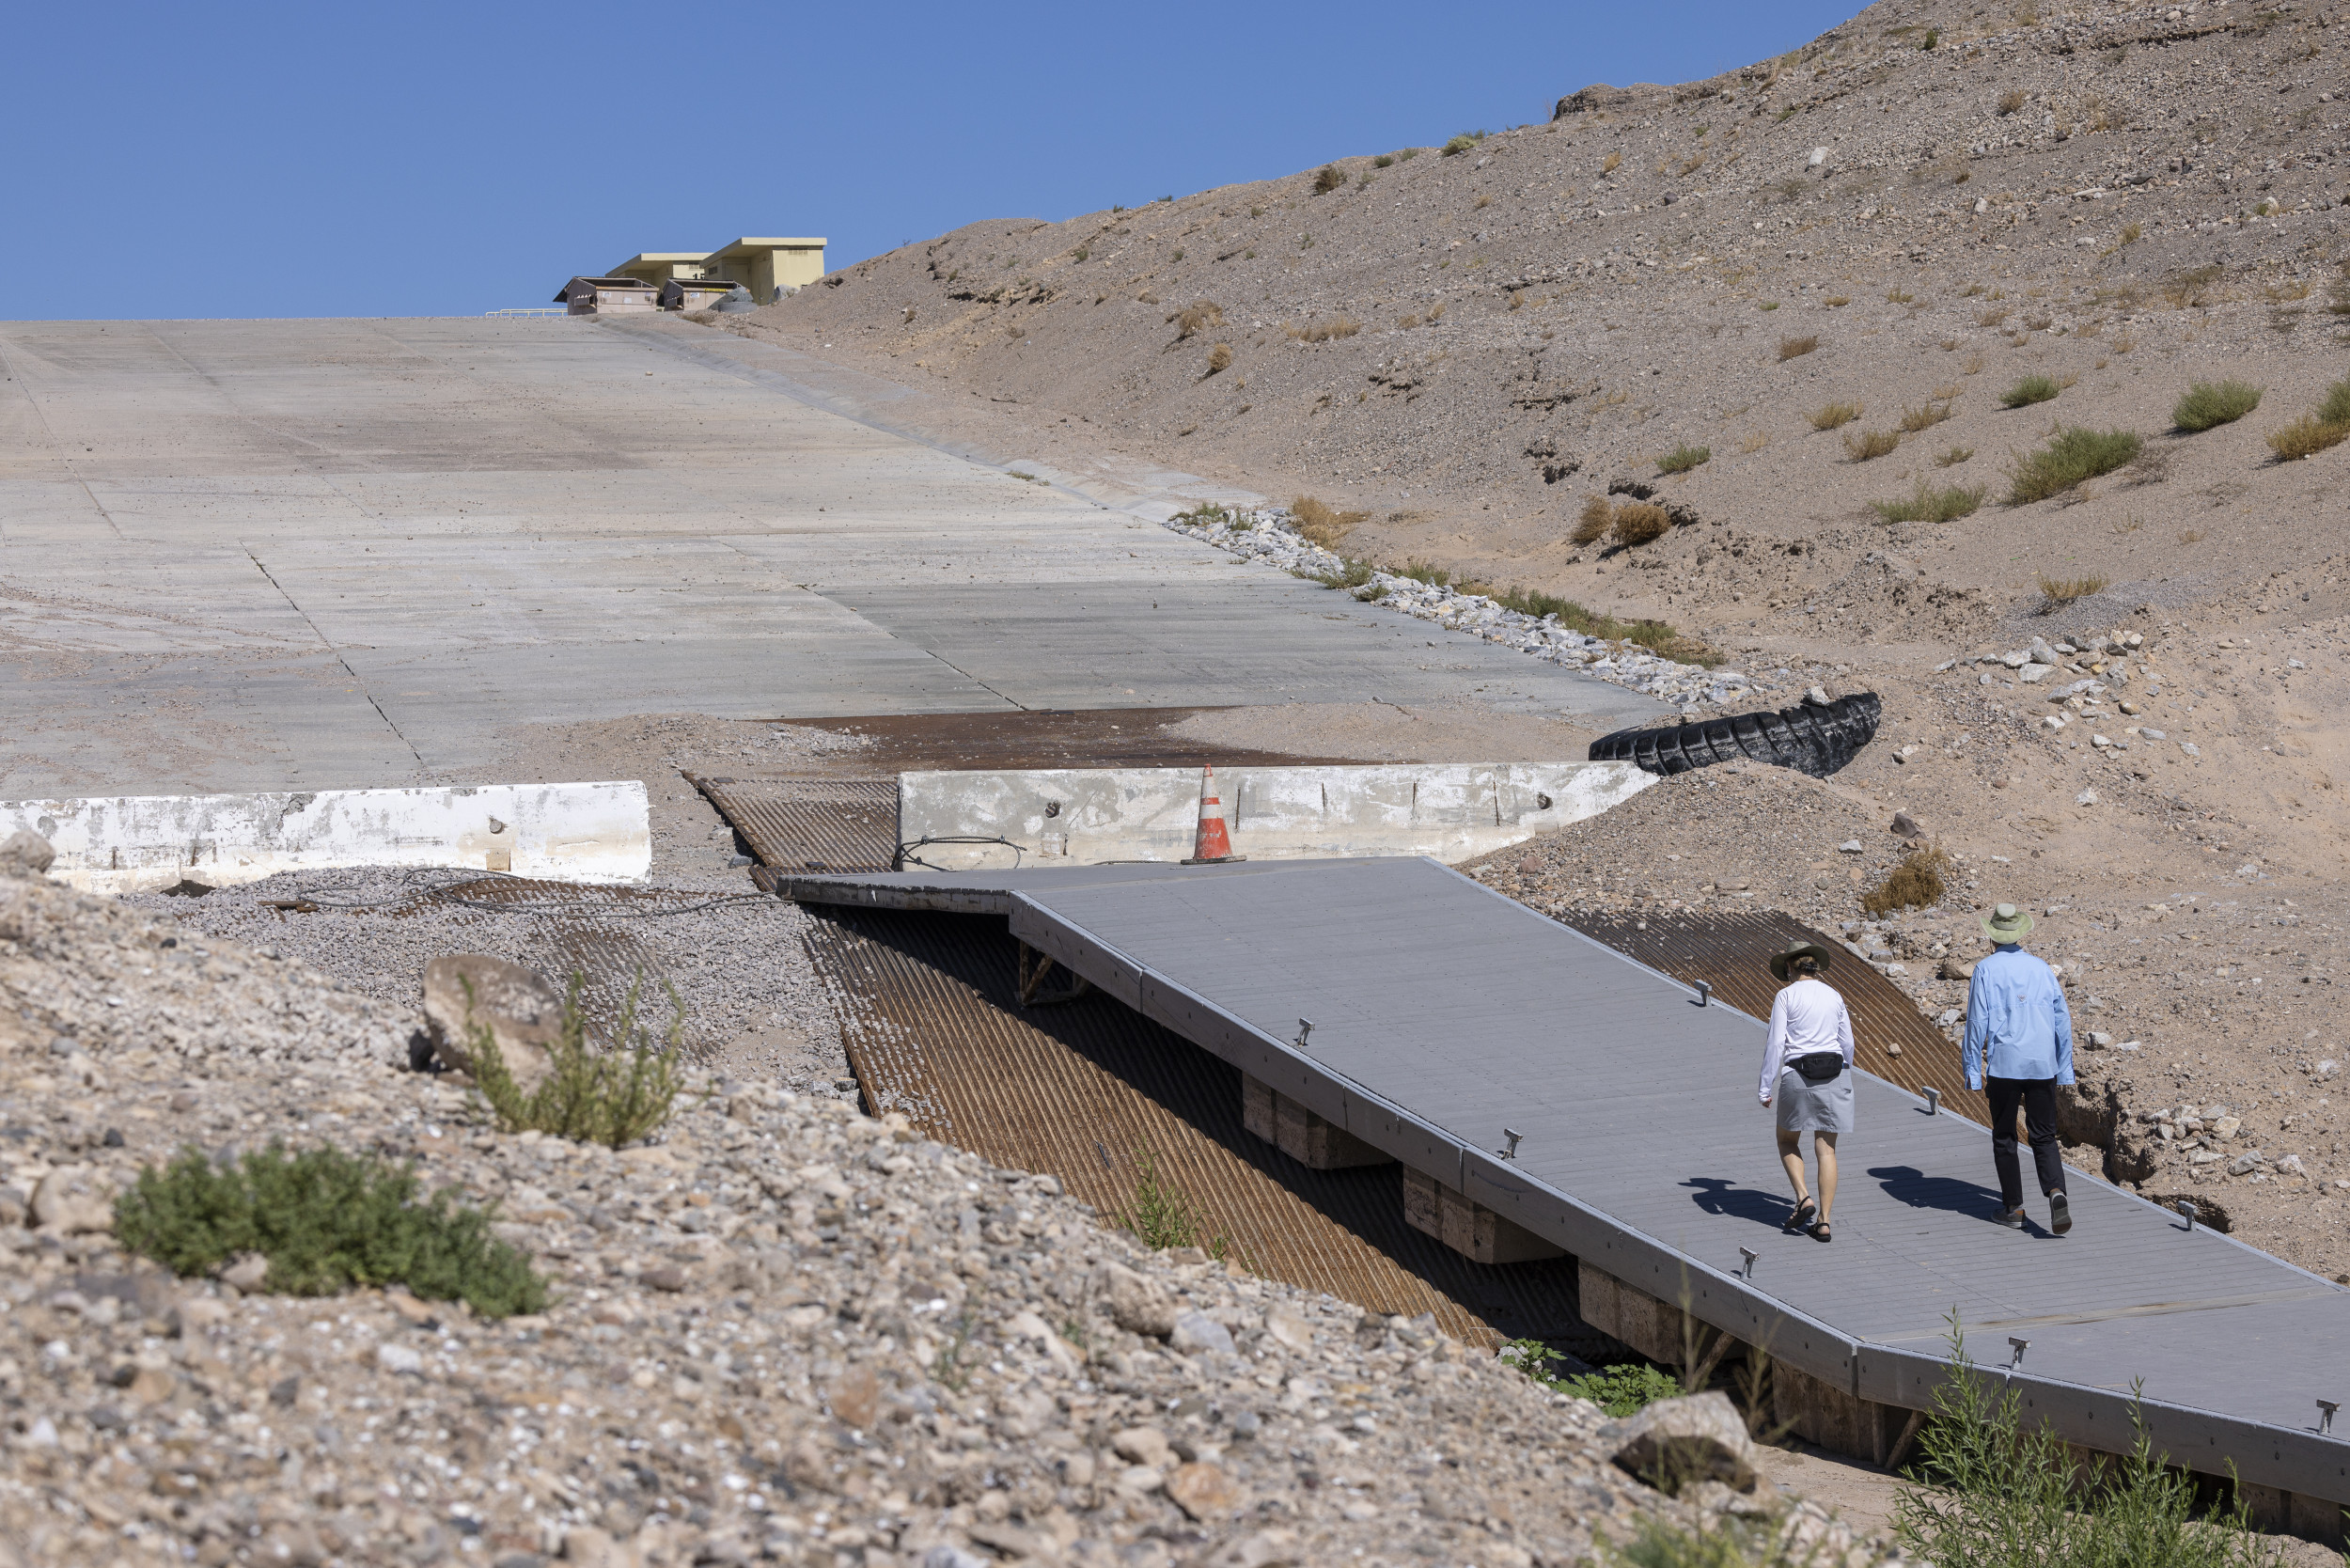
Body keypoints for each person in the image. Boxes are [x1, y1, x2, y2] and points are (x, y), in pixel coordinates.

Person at [1964, 903, 2075, 1234]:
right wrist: (2064, 1068)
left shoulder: (1985, 969)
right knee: (2044, 1136)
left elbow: (1976, 1023)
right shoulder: (2042, 969)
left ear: (1992, 937)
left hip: (2004, 1065)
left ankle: (2014, 1208)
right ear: (2021, 934)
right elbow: (2062, 1022)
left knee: (2005, 1137)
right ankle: (2056, 1191)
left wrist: (1972, 1070)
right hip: (2043, 1064)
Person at [1760, 940, 1856, 1243]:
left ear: (1789, 966)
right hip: (1835, 1074)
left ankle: (1803, 1198)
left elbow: (1776, 1044)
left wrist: (1765, 1087)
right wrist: (1845, 1071)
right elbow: (1848, 1044)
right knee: (1826, 1149)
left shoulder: (1785, 996)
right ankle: (1824, 1222)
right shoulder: (1835, 995)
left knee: (1786, 1140)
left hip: (1797, 1075)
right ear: (1814, 966)